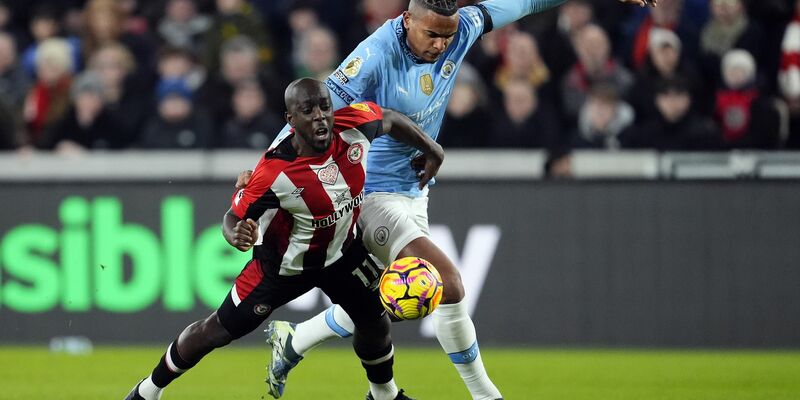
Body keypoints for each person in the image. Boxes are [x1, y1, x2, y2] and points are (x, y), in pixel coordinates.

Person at [236, 1, 656, 399]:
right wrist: (259, 176)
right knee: (447, 284)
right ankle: (486, 394)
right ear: (407, 20)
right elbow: (310, 116)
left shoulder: (462, 29)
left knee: (379, 298)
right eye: (432, 35)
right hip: (371, 191)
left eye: (447, 36)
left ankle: (295, 340)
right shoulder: (375, 54)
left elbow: (525, 3)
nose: (441, 45)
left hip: (414, 189)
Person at [124, 78, 444, 400]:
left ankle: (384, 396)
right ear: (291, 120)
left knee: (374, 322)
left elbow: (389, 117)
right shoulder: (273, 171)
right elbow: (233, 217)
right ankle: (148, 391)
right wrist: (235, 233)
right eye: (308, 110)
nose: (320, 116)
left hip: (342, 254)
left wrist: (432, 149)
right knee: (217, 330)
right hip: (282, 268)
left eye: (324, 107)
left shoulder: (357, 125)